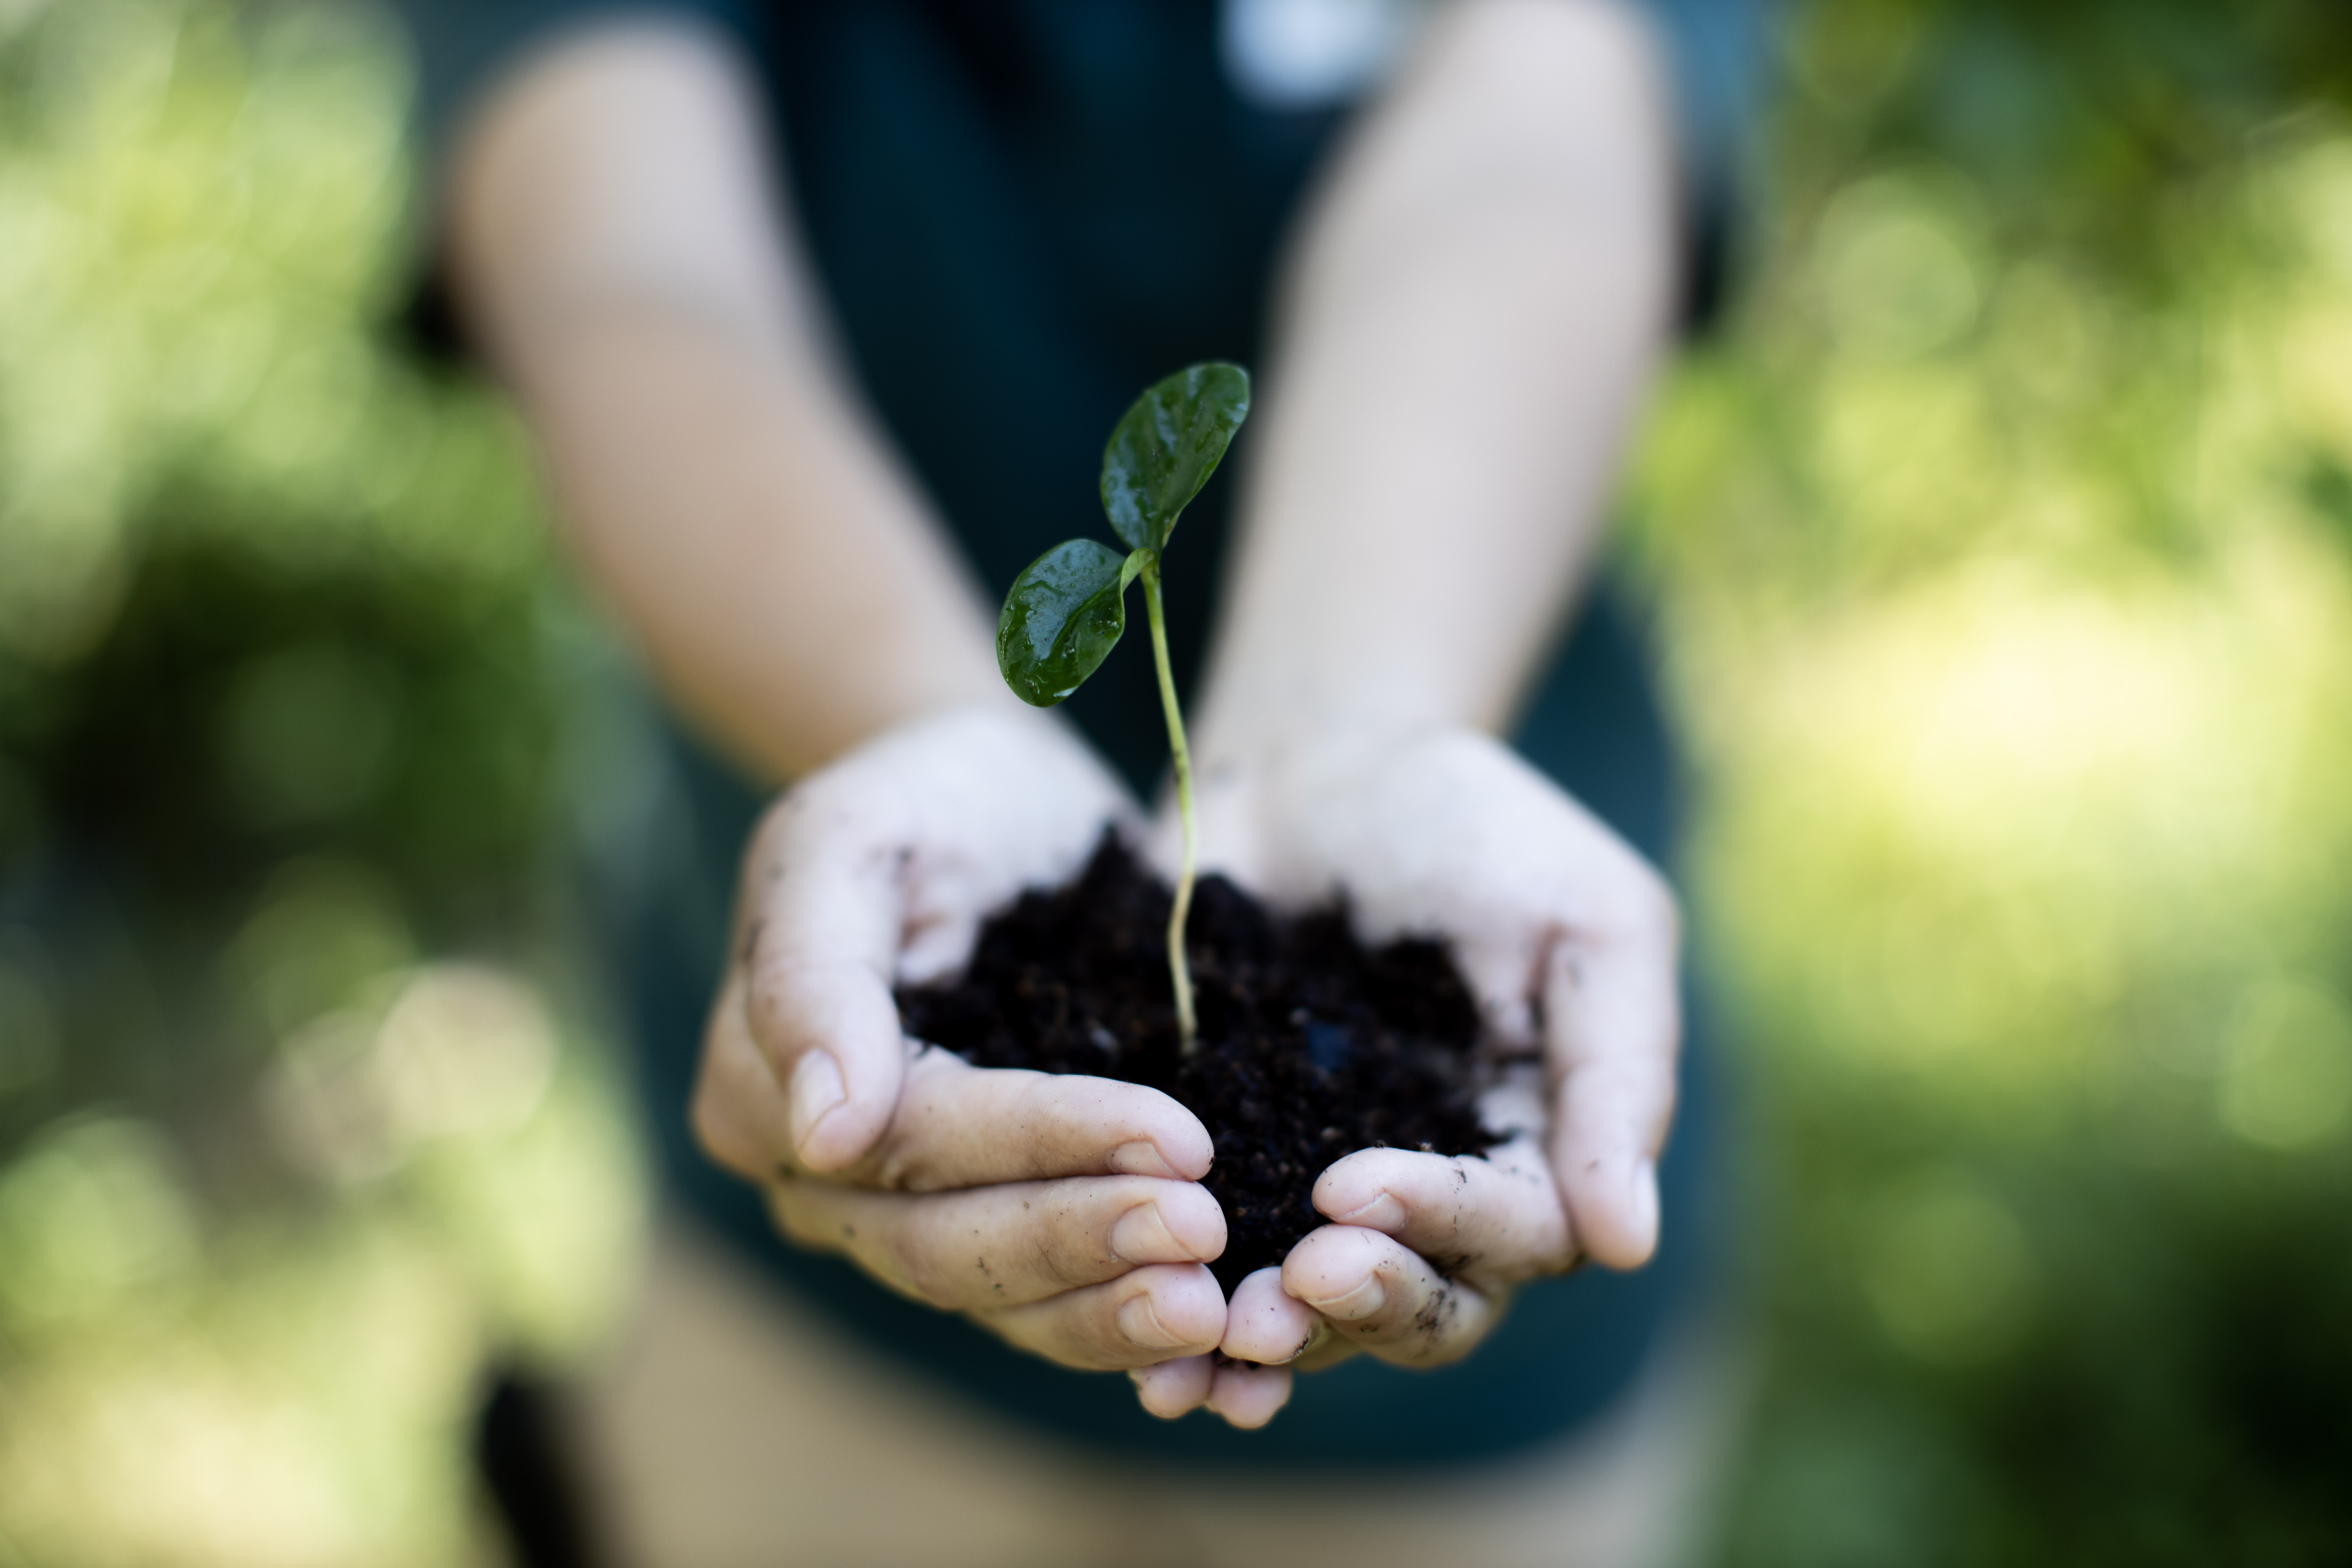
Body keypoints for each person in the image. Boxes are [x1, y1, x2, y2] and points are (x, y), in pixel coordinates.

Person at [393, 0, 1771, 1560]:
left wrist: (1357, 722)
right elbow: (620, 261)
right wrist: (913, 723)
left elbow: (1538, 139)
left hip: (1459, 1433)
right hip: (827, 1280)